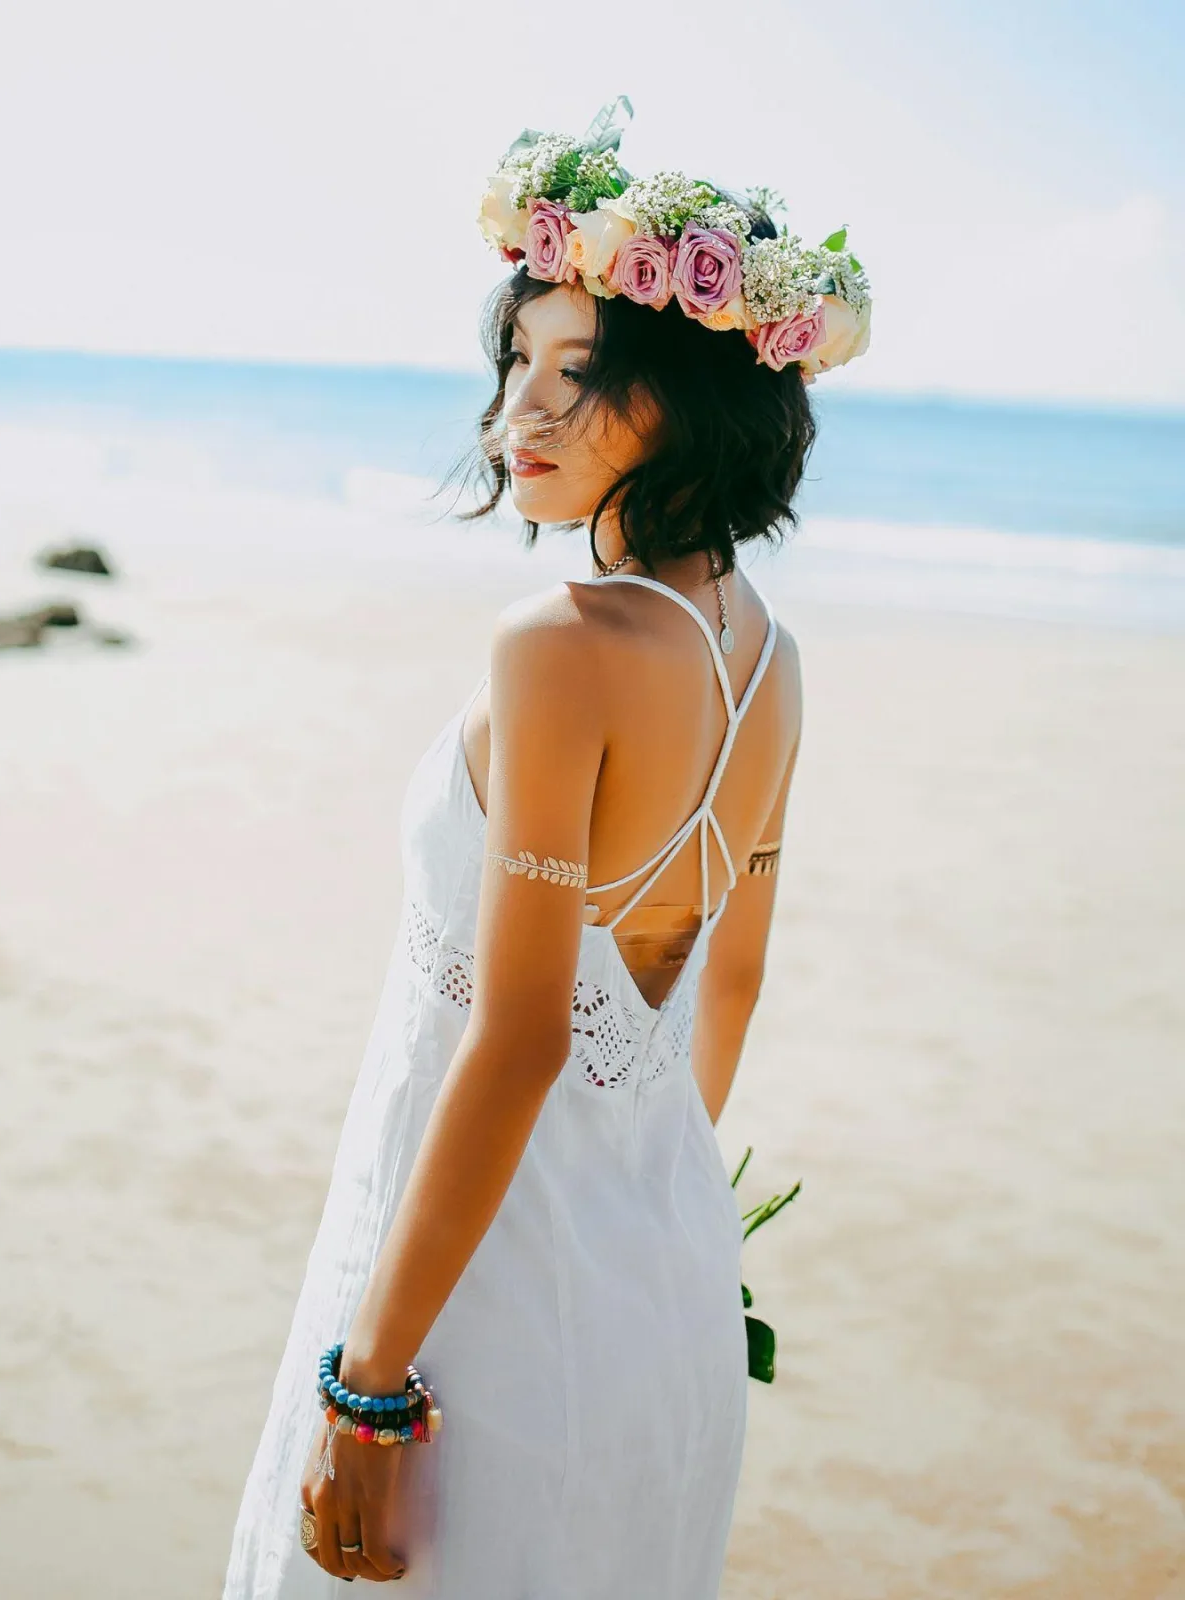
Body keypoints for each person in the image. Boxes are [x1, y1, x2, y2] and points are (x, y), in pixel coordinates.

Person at [222, 107, 871, 1597]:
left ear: (692, 394)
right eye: (516, 362)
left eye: (579, 375)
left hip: (484, 1311)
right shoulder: (769, 660)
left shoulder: (561, 646)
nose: (523, 412)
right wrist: (642, 1199)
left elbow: (518, 1041)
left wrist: (368, 1384)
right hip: (663, 1291)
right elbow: (731, 984)